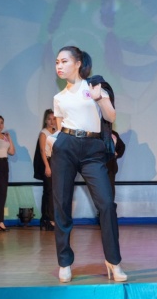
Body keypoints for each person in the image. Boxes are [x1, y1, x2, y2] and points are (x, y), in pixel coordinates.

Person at [51, 45, 126, 283]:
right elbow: (60, 128)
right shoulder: (59, 98)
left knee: (106, 204)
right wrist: (53, 141)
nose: (59, 66)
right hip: (66, 146)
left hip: (93, 149)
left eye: (64, 61)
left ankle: (113, 261)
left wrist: (99, 98)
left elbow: (111, 117)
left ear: (78, 63)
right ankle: (64, 262)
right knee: (62, 205)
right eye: (57, 62)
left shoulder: (95, 86)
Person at [33, 109, 57, 231]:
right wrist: (47, 166)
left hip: (55, 162)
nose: (52, 121)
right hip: (47, 162)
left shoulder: (56, 132)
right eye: (49, 119)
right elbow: (42, 151)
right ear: (45, 120)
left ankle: (45, 219)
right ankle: (49, 219)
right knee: (49, 192)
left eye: (54, 119)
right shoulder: (44, 133)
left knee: (50, 191)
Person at [107, 130, 126, 201]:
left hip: (110, 168)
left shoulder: (113, 133)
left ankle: (109, 207)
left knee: (109, 190)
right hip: (98, 167)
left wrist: (116, 155)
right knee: (99, 191)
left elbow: (122, 146)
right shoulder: (95, 132)